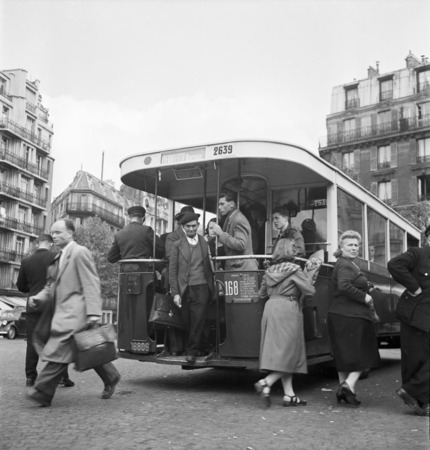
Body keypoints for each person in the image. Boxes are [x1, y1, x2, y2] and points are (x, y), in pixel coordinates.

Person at [26, 219, 121, 407]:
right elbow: (50, 286)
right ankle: (111, 376)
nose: (54, 236)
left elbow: (91, 282)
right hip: (61, 314)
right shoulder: (57, 257)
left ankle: (42, 392)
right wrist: (39, 298)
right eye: (52, 232)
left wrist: (94, 313)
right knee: (84, 349)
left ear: (70, 233)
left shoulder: (80, 252)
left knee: (58, 352)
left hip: (76, 313)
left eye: (58, 232)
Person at [254, 239, 317, 408]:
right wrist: (310, 273)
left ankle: (289, 395)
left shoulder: (269, 271)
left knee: (282, 353)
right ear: (291, 252)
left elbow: (260, 294)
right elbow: (309, 290)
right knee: (290, 353)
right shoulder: (295, 270)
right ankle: (266, 382)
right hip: (288, 310)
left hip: (271, 308)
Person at [327, 230, 380, 407]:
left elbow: (348, 283)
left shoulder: (347, 264)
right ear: (341, 247)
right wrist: (364, 297)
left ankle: (345, 391)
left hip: (341, 314)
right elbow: (343, 286)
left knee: (344, 356)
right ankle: (348, 385)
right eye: (350, 244)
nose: (354, 248)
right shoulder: (345, 265)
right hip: (351, 315)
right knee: (365, 353)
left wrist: (367, 287)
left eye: (357, 245)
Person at [16, 234, 74, 388]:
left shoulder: (26, 261)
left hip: (34, 304)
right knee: (58, 341)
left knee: (32, 341)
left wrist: (34, 288)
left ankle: (30, 377)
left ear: (38, 243)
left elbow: (21, 286)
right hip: (53, 305)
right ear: (50, 243)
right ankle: (62, 377)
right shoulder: (56, 257)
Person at [387, 226, 430, 417]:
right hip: (414, 316)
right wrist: (414, 287)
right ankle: (419, 401)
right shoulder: (418, 253)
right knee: (414, 359)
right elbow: (394, 264)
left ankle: (412, 392)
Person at [168, 212, 214, 363]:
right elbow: (172, 270)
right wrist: (175, 293)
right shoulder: (177, 245)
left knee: (198, 319)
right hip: (185, 288)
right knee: (188, 320)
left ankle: (191, 352)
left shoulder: (204, 242)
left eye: (194, 226)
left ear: (198, 226)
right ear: (183, 227)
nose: (191, 229)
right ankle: (203, 346)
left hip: (202, 286)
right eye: (188, 226)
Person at [208, 191, 258, 271]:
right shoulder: (232, 218)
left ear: (231, 204)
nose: (219, 208)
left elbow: (241, 244)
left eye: (222, 204)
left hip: (241, 269)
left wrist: (221, 234)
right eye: (218, 205)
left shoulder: (238, 219)